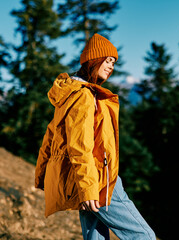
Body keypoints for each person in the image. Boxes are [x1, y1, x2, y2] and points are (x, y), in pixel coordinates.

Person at [35, 33, 156, 240]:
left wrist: (43, 173)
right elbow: (79, 146)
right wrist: (89, 188)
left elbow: (51, 135)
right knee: (144, 236)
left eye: (114, 63)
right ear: (94, 60)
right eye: (108, 60)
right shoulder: (82, 95)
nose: (111, 67)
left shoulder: (71, 93)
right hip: (98, 180)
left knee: (95, 237)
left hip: (87, 180)